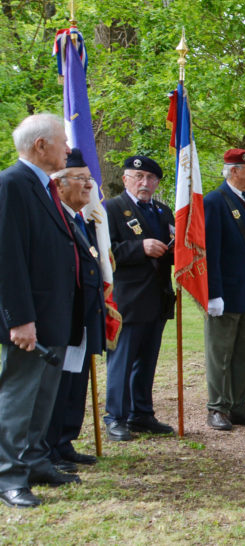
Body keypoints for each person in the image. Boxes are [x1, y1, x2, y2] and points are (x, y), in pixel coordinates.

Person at [0, 114, 81, 508]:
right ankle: (8, 476)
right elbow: (7, 258)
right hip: (29, 317)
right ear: (40, 146)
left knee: (43, 398)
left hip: (54, 314)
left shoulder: (45, 187)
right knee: (18, 398)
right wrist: (19, 318)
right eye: (63, 141)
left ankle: (34, 461)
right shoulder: (12, 185)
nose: (68, 148)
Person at [103, 155, 176, 440]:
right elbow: (103, 253)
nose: (144, 183)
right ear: (125, 180)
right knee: (122, 362)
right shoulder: (111, 209)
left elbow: (170, 248)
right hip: (127, 300)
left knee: (147, 361)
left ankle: (141, 414)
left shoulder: (162, 211)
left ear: (157, 182)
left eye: (150, 178)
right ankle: (116, 417)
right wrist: (139, 248)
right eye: (138, 177)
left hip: (157, 297)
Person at [43, 150, 105, 474]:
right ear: (59, 184)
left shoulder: (83, 220)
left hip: (81, 317)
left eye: (89, 179)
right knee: (55, 386)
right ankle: (48, 448)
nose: (88, 186)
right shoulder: (55, 217)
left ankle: (64, 441)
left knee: (74, 382)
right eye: (80, 179)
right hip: (60, 319)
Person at [203, 149, 245, 431]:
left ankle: (238, 406)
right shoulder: (215, 202)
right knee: (220, 354)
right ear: (234, 172)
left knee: (243, 353)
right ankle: (218, 407)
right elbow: (211, 251)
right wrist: (212, 293)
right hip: (225, 292)